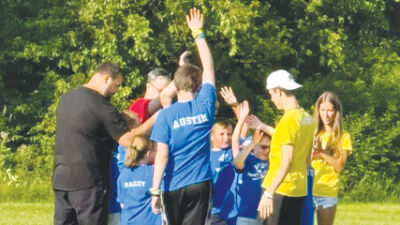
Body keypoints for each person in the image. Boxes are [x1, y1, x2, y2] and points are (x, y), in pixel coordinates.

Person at [53, 62, 156, 225]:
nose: (116, 90)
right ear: (107, 78)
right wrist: (155, 119)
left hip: (61, 178)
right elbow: (129, 140)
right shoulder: (101, 106)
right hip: (88, 181)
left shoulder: (66, 99)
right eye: (117, 85)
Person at [150, 8, 216, 225]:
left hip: (172, 186)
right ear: (198, 85)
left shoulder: (166, 116)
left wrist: (154, 190)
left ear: (176, 85)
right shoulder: (205, 105)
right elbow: (208, 66)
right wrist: (198, 33)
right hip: (200, 183)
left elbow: (162, 156)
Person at [256, 69, 314, 225]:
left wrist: (268, 193)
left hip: (279, 189)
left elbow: (286, 162)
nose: (272, 99)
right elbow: (308, 159)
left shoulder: (288, 120)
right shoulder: (308, 119)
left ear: (278, 91)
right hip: (298, 189)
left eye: (271, 95)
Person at [311, 92, 352, 225]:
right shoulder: (313, 133)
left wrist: (321, 152)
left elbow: (339, 165)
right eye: (322, 110)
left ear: (336, 111)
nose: (326, 114)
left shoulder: (343, 137)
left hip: (327, 193)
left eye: (330, 110)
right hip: (306, 190)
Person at [209, 86, 247, 225]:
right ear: (212, 136)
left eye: (229, 134)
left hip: (234, 211)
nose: (226, 138)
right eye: (221, 134)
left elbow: (243, 127)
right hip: (213, 211)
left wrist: (235, 106)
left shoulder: (234, 150)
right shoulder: (206, 156)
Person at [232, 101, 270, 225]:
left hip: (267, 215)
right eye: (264, 147)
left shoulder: (274, 161)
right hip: (246, 215)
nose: (268, 151)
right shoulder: (249, 159)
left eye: (270, 147)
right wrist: (252, 143)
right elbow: (237, 163)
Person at [117, 134, 161, 225]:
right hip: (149, 221)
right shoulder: (153, 172)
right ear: (148, 154)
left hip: (128, 221)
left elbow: (122, 203)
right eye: (155, 151)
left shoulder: (123, 175)